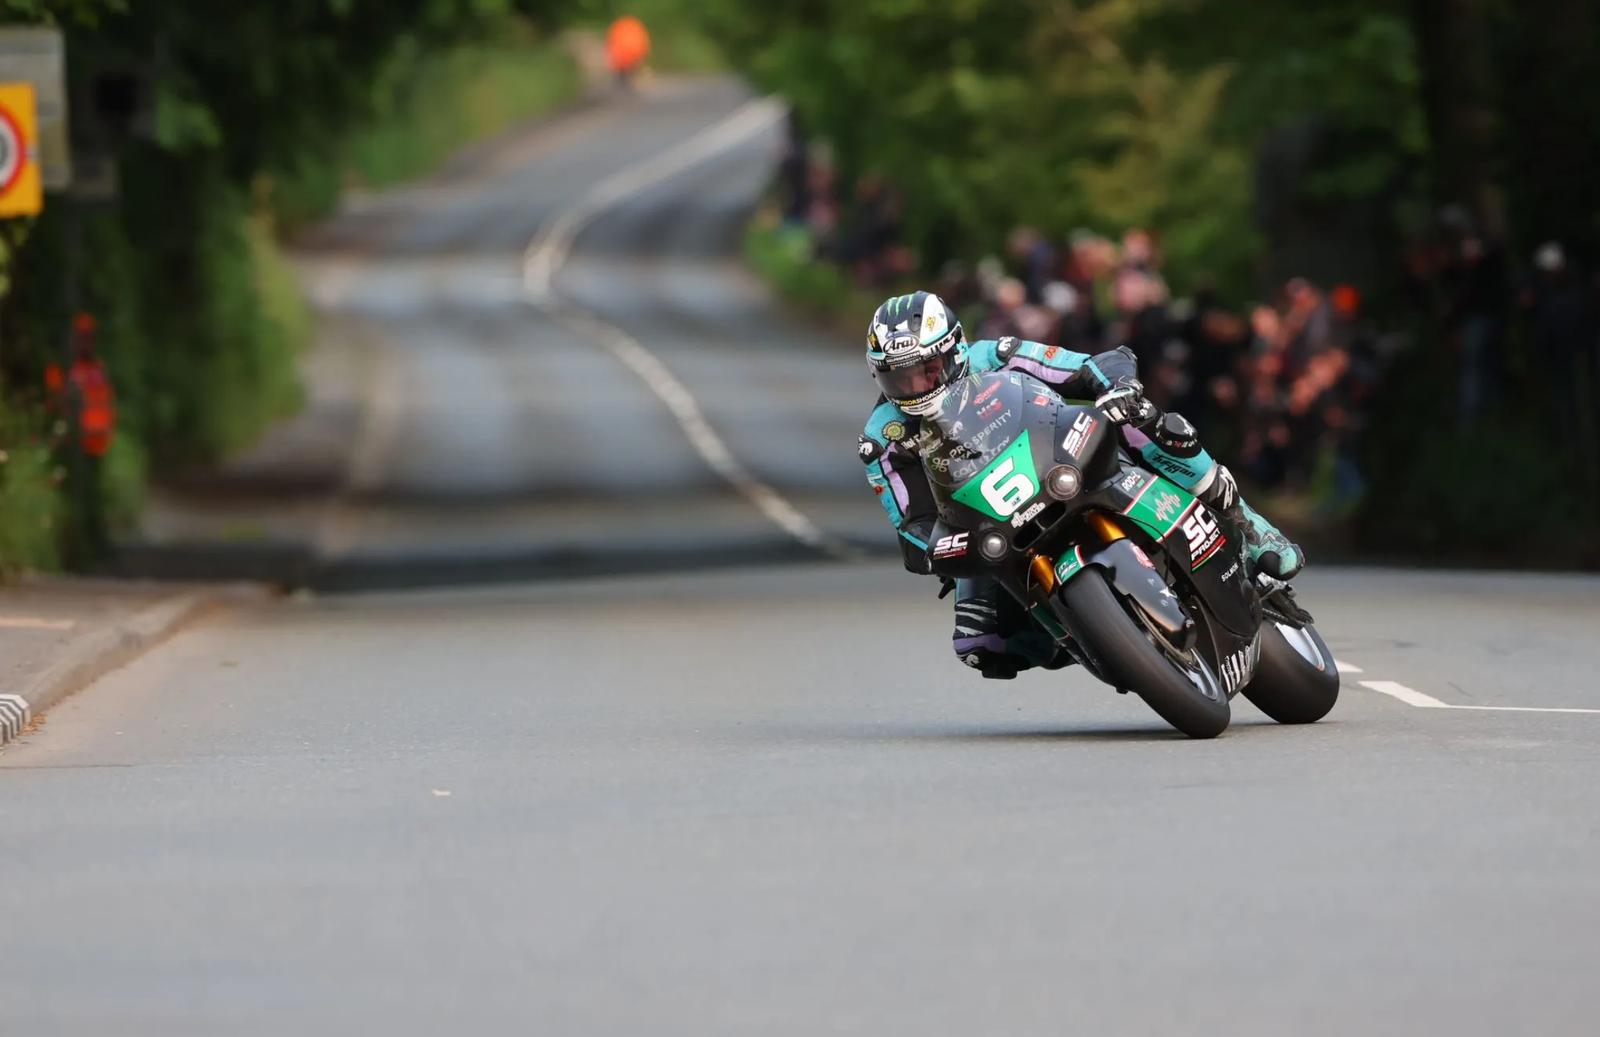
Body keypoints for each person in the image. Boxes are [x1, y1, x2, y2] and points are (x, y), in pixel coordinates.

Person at [859, 291, 1303, 679]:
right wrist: (941, 549)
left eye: (927, 370)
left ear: (954, 350)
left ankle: (1242, 522)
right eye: (900, 378)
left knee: (1143, 421)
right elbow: (913, 523)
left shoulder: (994, 355)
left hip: (1057, 455)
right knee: (979, 642)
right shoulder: (882, 439)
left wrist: (1118, 385)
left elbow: (1083, 367)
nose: (916, 387)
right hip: (989, 520)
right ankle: (1085, 634)